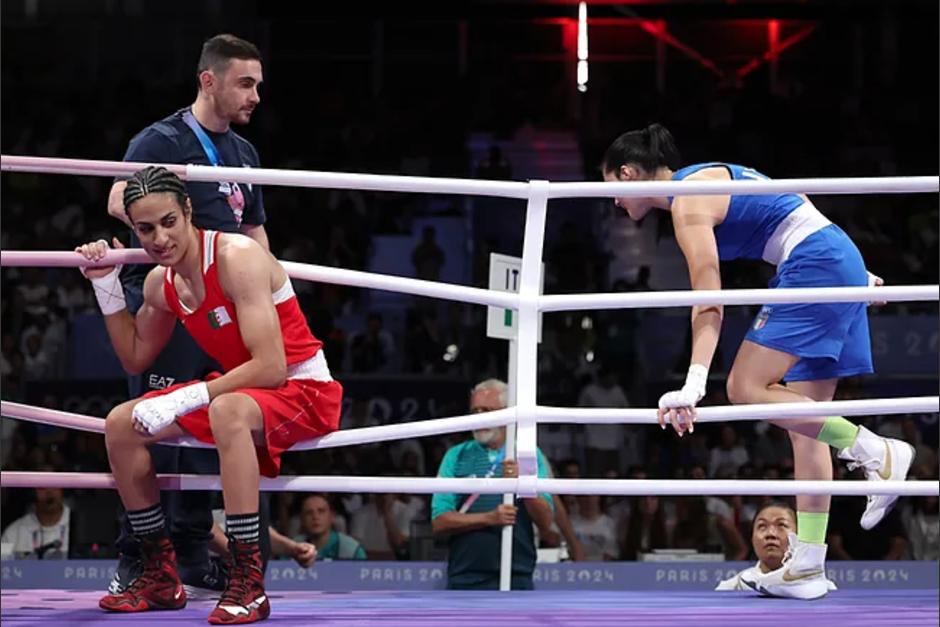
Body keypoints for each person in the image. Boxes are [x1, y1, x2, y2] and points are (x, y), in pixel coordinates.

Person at [601, 123, 915, 600]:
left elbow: (709, 299)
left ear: (626, 174)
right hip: (827, 256)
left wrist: (694, 381)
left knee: (745, 388)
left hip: (817, 263)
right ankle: (808, 563)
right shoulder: (703, 178)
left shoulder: (687, 200)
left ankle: (875, 450)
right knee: (804, 422)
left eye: (612, 190)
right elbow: (790, 203)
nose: (615, 203)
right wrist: (850, 268)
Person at [76, 166, 343, 624]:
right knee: (122, 424)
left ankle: (247, 581)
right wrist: (106, 286)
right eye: (145, 229)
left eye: (168, 222)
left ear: (188, 212)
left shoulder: (237, 256)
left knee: (226, 409)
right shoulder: (162, 283)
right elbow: (136, 357)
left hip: (302, 388)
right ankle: (158, 573)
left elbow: (272, 365)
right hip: (239, 391)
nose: (159, 238)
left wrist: (185, 397)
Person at [105, 33, 271, 598]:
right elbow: (117, 198)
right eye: (245, 83)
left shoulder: (245, 155)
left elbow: (254, 230)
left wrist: (275, 290)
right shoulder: (162, 138)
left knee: (214, 421)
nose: (254, 96)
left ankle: (196, 552)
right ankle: (140, 558)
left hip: (228, 303)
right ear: (210, 80)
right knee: (153, 426)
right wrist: (171, 224)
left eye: (258, 85)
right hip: (169, 300)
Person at [431, 379, 555, 590]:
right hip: (465, 576)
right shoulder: (456, 456)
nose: (480, 418)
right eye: (475, 411)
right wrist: (489, 518)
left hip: (517, 574)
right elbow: (439, 522)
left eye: (487, 410)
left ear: (507, 414)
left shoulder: (528, 454)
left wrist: (523, 482)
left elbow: (546, 522)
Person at [716, 501, 837, 592]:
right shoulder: (731, 588)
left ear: (799, 536)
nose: (771, 534)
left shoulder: (822, 589)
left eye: (781, 525)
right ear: (752, 538)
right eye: (762, 526)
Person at [0, 481, 70, 559]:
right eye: (42, 487)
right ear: (32, 493)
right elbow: (2, 565)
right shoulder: (12, 532)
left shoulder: (80, 526)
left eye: (54, 485)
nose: (49, 491)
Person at [293, 493, 367, 560]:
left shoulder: (352, 550)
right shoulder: (293, 547)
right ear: (302, 519)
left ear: (332, 516)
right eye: (309, 512)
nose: (315, 517)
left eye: (321, 511)